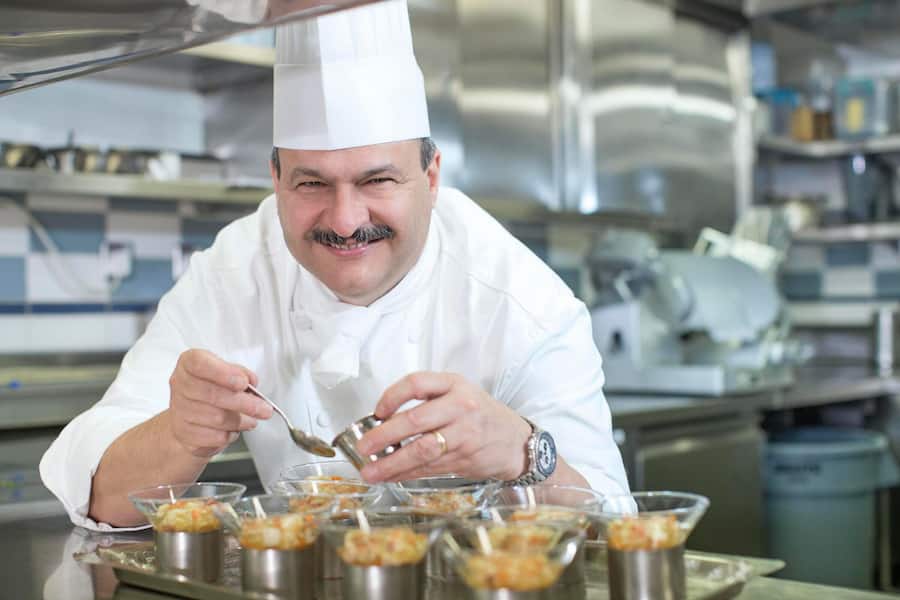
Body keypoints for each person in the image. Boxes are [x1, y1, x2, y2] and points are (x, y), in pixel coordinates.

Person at [40, 0, 629, 530]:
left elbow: (615, 523)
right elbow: (98, 494)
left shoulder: (522, 303)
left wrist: (526, 453)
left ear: (430, 178)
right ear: (275, 181)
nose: (345, 221)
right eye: (311, 183)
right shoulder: (232, 274)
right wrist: (178, 435)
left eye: (377, 180)